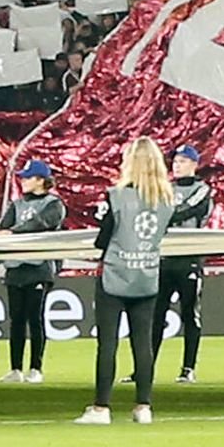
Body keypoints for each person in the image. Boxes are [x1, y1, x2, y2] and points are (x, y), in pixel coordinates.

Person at [82, 138, 173, 426]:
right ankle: (143, 406)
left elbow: (102, 239)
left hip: (115, 275)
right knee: (142, 343)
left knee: (108, 344)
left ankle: (101, 407)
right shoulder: (167, 200)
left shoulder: (116, 196)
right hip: (146, 275)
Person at [0, 158, 63, 384]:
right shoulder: (16, 204)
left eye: (27, 177)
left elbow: (40, 223)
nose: (23, 181)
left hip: (38, 268)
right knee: (16, 319)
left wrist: (13, 232)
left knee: (35, 319)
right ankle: (15, 368)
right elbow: (2, 227)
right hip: (16, 268)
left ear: (40, 180)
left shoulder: (54, 204)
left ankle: (36, 367)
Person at [161, 143, 217, 382]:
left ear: (194, 165)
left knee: (189, 314)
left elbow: (186, 210)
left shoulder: (203, 189)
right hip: (164, 258)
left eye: (183, 161)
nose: (177, 165)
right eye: (175, 161)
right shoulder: (165, 188)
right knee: (154, 315)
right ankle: (144, 367)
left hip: (189, 259)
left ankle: (188, 368)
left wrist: (163, 215)